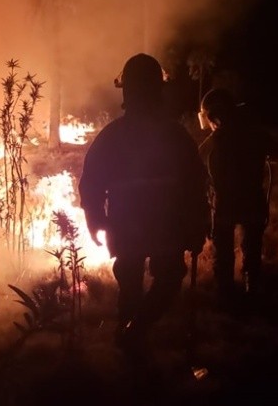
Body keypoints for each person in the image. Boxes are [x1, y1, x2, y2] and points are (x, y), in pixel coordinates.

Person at [79, 53, 210, 356]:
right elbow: (195, 184)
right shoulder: (175, 135)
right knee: (166, 278)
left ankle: (131, 333)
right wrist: (197, 223)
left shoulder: (112, 136)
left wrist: (96, 217)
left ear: (127, 92)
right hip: (166, 224)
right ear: (157, 90)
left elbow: (92, 183)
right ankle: (135, 332)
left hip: (129, 225)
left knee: (131, 282)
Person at [197, 87, 278, 306]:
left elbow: (196, 164)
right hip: (252, 199)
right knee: (252, 246)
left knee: (223, 250)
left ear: (215, 115)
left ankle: (226, 292)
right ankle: (251, 287)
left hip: (225, 203)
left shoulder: (216, 140)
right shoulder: (253, 132)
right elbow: (276, 150)